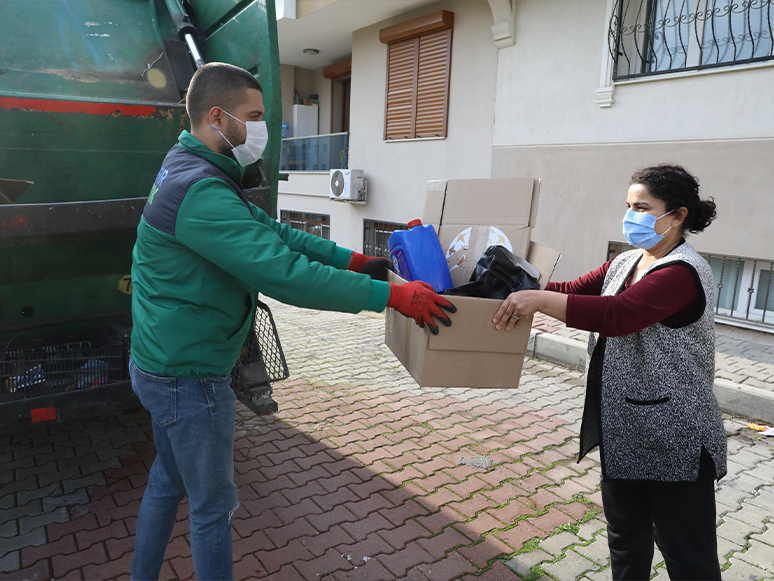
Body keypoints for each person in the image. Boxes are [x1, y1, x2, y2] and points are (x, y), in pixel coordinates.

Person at [129, 62, 455, 581]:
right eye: (254, 116)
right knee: (213, 508)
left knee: (167, 483)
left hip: (163, 360)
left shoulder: (190, 165)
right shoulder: (202, 190)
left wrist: (353, 260)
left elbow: (277, 235)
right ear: (217, 116)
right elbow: (284, 274)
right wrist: (390, 296)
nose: (262, 129)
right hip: (188, 377)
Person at [492, 164, 726, 580]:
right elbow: (571, 290)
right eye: (628, 205)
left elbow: (618, 315)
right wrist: (511, 292)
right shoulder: (627, 260)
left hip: (675, 436)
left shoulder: (682, 272)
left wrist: (539, 303)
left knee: (688, 556)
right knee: (625, 541)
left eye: (643, 207)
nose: (631, 215)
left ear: (677, 216)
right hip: (626, 428)